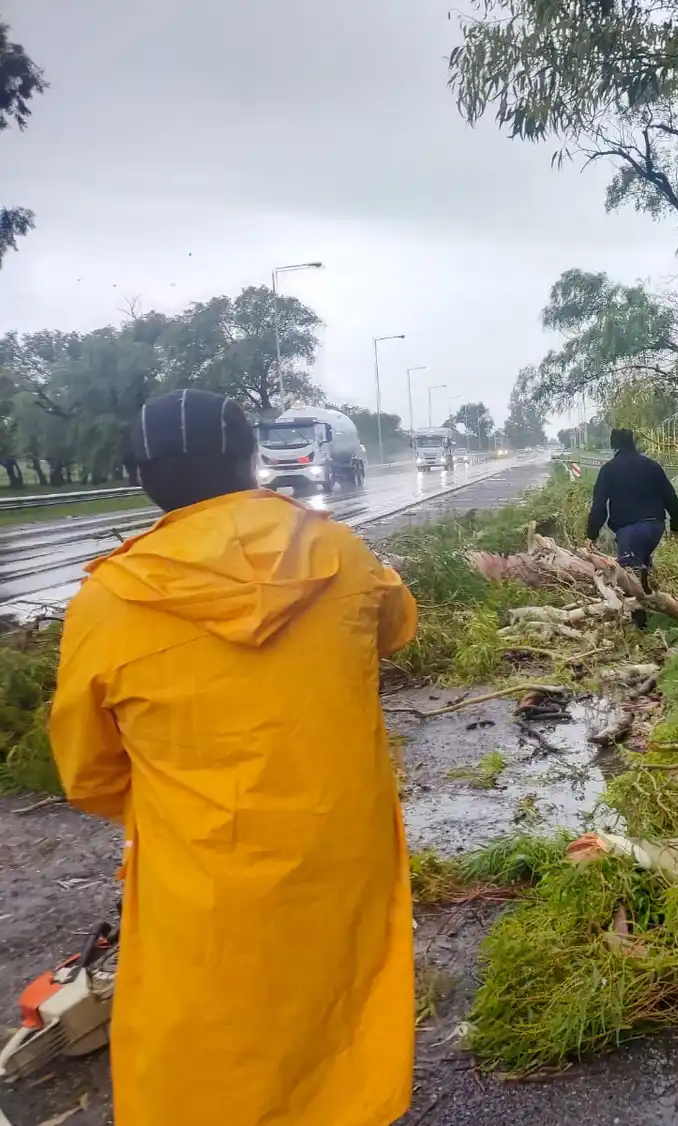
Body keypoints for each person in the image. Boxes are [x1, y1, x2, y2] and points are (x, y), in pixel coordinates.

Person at [48, 389, 419, 1126]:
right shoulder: (336, 551)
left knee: (208, 1044)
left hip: (203, 876)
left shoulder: (108, 602)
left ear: (142, 477)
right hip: (339, 853)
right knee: (340, 1007)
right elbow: (396, 627)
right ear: (251, 459)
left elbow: (88, 775)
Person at [585, 428, 678, 595]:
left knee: (630, 581)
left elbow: (599, 506)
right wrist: (675, 526)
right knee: (642, 567)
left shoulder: (609, 470)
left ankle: (639, 616)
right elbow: (670, 497)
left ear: (613, 445)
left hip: (631, 532)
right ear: (633, 443)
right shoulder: (652, 466)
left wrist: (591, 535)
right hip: (656, 527)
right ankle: (653, 606)